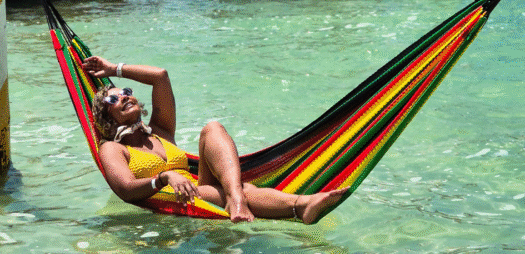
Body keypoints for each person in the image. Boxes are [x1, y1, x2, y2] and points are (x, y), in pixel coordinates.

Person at [84, 57, 347, 223]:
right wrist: (164, 178)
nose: (125, 97)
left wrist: (113, 69)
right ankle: (297, 205)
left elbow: (160, 76)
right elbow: (126, 190)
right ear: (107, 118)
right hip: (166, 197)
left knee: (213, 128)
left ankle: (239, 200)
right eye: (113, 98)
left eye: (127, 93)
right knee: (241, 190)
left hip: (196, 190)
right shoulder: (112, 148)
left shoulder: (160, 131)